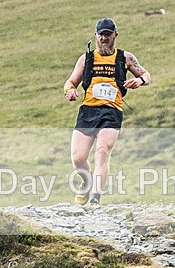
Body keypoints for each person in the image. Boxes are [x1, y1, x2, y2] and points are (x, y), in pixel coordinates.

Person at [63, 17, 151, 205]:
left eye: (108, 35)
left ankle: (95, 199)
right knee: (78, 158)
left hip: (112, 111)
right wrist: (70, 91)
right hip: (88, 111)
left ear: (115, 36)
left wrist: (139, 81)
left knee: (102, 151)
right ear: (95, 36)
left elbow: (146, 75)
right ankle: (86, 181)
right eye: (101, 35)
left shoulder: (125, 57)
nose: (104, 38)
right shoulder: (86, 59)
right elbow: (70, 82)